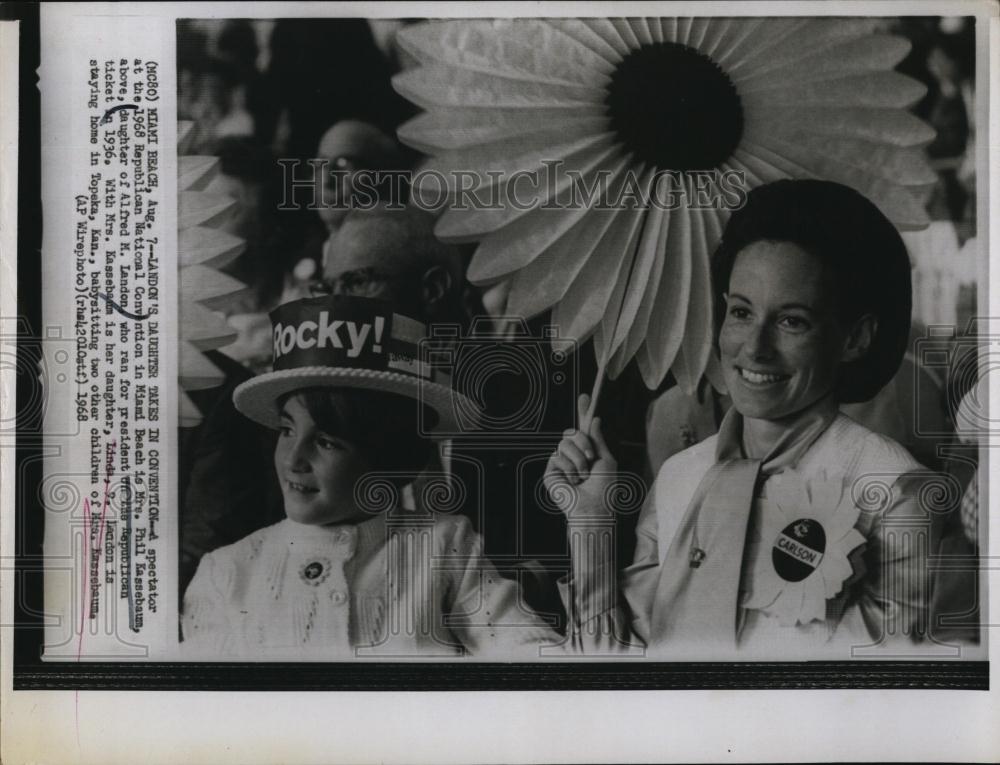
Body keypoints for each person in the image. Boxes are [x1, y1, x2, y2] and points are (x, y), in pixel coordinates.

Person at [546, 180, 941, 658]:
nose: (754, 349)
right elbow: (622, 674)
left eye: (792, 321)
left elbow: (876, 696)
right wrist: (590, 523)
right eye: (740, 312)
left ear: (855, 338)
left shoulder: (896, 493)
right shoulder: (678, 477)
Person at [182, 295, 560, 659]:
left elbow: (530, 653)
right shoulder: (228, 572)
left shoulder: (445, 548)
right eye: (286, 430)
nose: (294, 458)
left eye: (327, 442)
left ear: (388, 456)